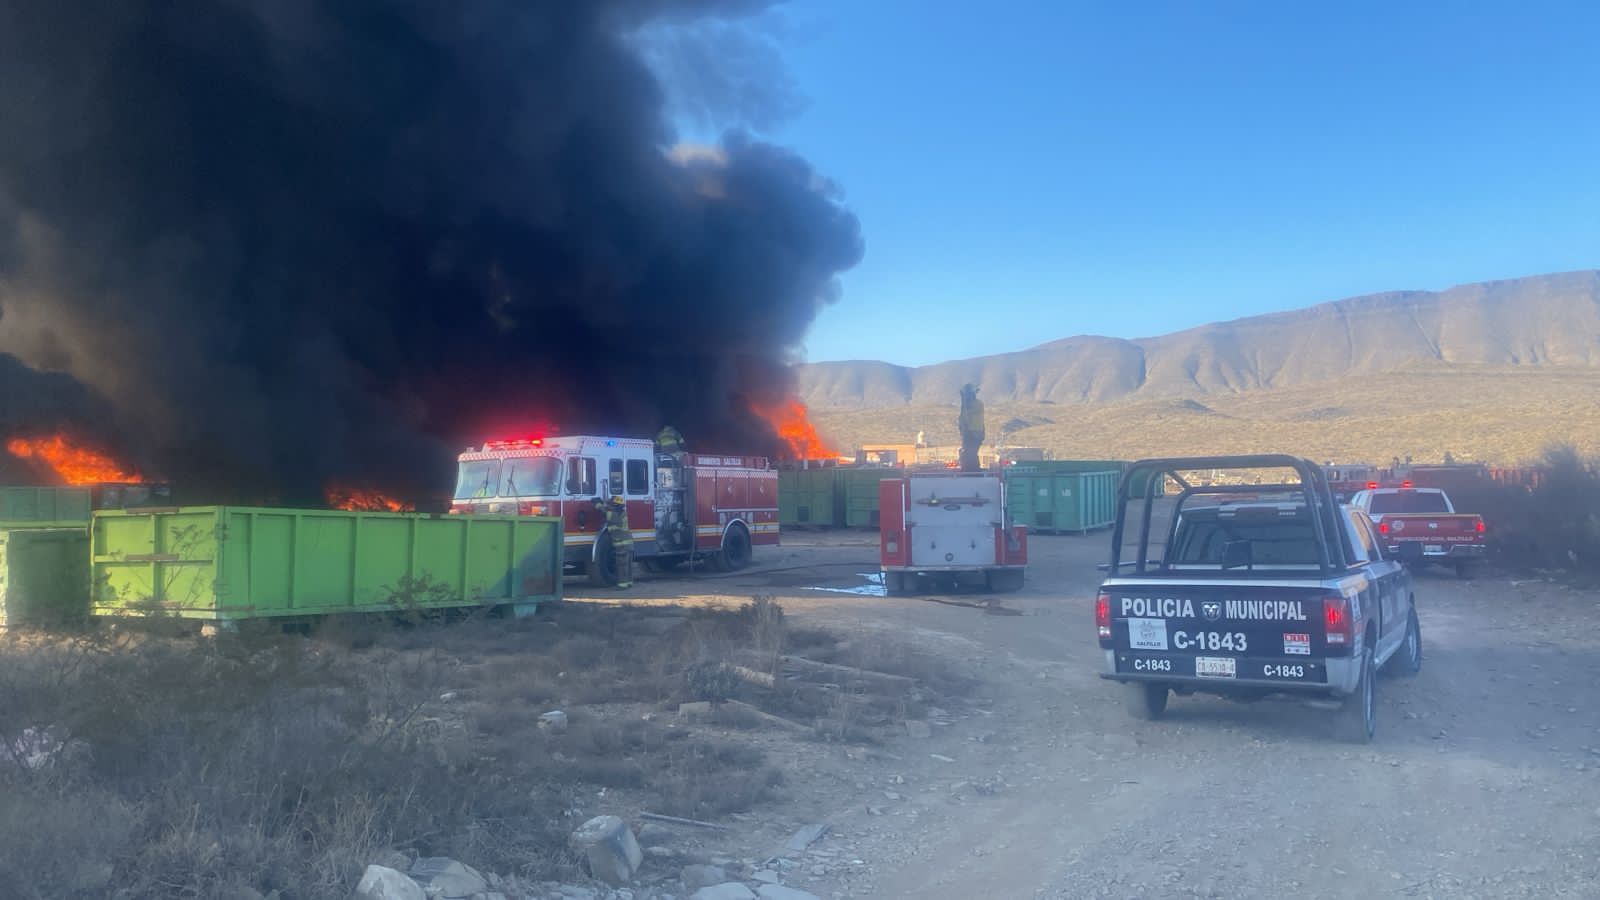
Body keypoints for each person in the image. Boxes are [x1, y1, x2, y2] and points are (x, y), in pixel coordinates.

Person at [593, 495, 633, 588]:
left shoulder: (614, 515)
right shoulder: (621, 513)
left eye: (611, 504)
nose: (609, 505)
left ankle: (622, 585)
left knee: (621, 565)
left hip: (621, 545)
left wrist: (598, 504)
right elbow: (608, 509)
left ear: (615, 505)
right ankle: (629, 583)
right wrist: (604, 503)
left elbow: (604, 511)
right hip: (629, 544)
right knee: (628, 565)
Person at [958, 383, 985, 472]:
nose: (967, 397)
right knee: (967, 453)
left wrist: (963, 401)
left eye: (968, 395)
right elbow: (963, 418)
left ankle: (973, 470)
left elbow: (967, 412)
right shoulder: (966, 406)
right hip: (969, 432)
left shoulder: (978, 404)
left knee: (971, 453)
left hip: (975, 433)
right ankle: (968, 469)